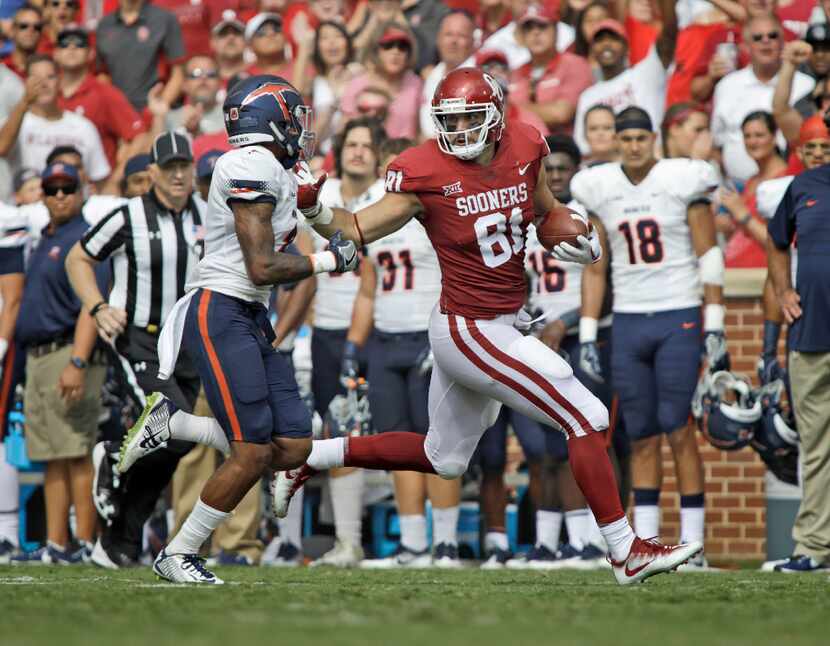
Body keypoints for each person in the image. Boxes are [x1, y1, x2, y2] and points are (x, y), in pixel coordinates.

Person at [274, 67, 703, 585]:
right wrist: (316, 209)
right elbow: (356, 227)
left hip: (496, 322)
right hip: (470, 328)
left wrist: (574, 236)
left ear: (497, 116)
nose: (460, 132)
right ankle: (624, 550)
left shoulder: (525, 145)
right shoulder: (424, 170)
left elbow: (543, 213)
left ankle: (304, 457)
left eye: (471, 117)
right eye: (449, 121)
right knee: (586, 414)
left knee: (444, 458)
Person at [120, 76, 359, 584]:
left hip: (249, 313)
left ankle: (175, 424)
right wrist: (326, 261)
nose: (300, 126)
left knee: (293, 446)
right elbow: (261, 267)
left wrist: (318, 233)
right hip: (224, 308)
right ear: (270, 119)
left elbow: (271, 260)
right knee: (251, 453)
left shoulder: (272, 167)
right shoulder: (248, 165)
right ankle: (178, 553)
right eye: (293, 115)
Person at [574, 106, 725, 570]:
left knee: (677, 426)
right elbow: (596, 267)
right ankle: (650, 543)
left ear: (654, 138)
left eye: (642, 137)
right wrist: (585, 330)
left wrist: (715, 323)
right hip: (629, 319)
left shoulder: (682, 179)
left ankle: (694, 545)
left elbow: (709, 254)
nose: (635, 145)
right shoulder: (599, 187)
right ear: (617, 141)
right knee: (639, 433)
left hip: (677, 312)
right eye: (627, 138)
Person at [65, 132, 212, 569]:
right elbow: (78, 258)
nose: (180, 176)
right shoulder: (127, 215)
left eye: (185, 166)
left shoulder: (208, 213)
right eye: (170, 168)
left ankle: (118, 543)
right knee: (174, 422)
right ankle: (113, 455)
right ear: (152, 173)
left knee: (176, 444)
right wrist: (97, 306)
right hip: (141, 337)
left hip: (189, 341)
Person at [343, 127, 464, 569]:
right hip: (386, 339)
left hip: (428, 336)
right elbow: (369, 289)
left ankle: (446, 544)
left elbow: (456, 274)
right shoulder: (369, 207)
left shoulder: (431, 203)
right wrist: (353, 346)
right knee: (399, 445)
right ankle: (414, 544)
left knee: (440, 442)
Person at [505, 134, 625, 570]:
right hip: (530, 337)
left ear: (576, 170)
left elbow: (601, 285)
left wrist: (566, 323)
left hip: (576, 338)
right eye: (547, 168)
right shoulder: (519, 216)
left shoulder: (585, 217)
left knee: (581, 437)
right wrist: (528, 319)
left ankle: (587, 541)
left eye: (562, 167)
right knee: (537, 450)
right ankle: (547, 542)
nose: (555, 174)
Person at [8, 162, 108, 565]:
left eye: (68, 187)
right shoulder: (45, 237)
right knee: (52, 453)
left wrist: (79, 361)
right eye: (52, 188)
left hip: (68, 351)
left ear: (82, 191)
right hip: (39, 357)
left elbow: (92, 305)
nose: (60, 195)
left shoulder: (84, 239)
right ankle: (56, 543)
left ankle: (83, 541)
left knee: (75, 451)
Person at [302, 118, 387, 569]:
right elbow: (303, 265)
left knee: (382, 431)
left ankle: (394, 538)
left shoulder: (387, 200)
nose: (358, 152)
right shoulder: (323, 195)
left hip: (381, 330)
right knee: (337, 430)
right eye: (350, 144)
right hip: (327, 331)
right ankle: (348, 540)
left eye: (366, 145)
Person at [766, 116, 830, 573]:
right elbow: (775, 242)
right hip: (811, 334)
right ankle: (814, 546)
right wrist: (784, 289)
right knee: (817, 445)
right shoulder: (802, 186)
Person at [755, 114, 830, 389]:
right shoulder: (790, 190)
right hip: (803, 305)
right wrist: (769, 345)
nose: (818, 154)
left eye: (825, 147)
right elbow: (775, 256)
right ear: (799, 151)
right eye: (811, 148)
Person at [711, 13, 814, 183]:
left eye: (773, 35)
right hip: (739, 188)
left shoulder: (806, 84)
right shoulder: (726, 86)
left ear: (783, 41)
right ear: (745, 45)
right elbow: (717, 144)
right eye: (758, 37)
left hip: (789, 184)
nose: (766, 41)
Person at [572, 0, 678, 154]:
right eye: (600, 40)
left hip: (650, 160)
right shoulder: (587, 97)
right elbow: (582, 146)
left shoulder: (646, 74)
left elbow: (669, 35)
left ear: (627, 48)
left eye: (613, 39)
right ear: (592, 50)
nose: (606, 44)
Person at [0, 55, 111, 190]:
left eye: (50, 77)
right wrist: (24, 102)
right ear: (25, 82)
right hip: (25, 208)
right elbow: (2, 148)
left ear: (60, 81)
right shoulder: (15, 123)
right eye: (36, 79)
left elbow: (99, 179)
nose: (43, 84)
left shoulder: (84, 127)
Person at [54, 25, 146, 176]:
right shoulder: (48, 94)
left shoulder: (104, 93)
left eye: (79, 44)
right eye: (64, 44)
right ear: (55, 53)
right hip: (54, 187)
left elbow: (139, 137)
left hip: (95, 189)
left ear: (91, 54)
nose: (71, 48)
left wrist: (115, 180)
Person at [508, 3, 593, 134]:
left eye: (542, 26)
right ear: (522, 36)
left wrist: (513, 110)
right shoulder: (514, 73)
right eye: (528, 28)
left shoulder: (575, 64)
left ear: (556, 30)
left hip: (561, 148)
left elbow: (560, 113)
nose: (535, 33)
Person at [720, 111, 788, 268]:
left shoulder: (785, 180)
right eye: (747, 136)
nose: (752, 141)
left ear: (774, 136)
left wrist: (743, 216)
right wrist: (728, 226)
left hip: (765, 272)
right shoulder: (752, 181)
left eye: (759, 135)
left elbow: (781, 241)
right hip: (739, 270)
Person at [96, 0, 186, 112]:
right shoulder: (104, 24)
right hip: (118, 114)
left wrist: (158, 107)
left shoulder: (165, 19)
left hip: (154, 110)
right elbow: (102, 75)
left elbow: (178, 74)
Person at [341, 23, 423, 140]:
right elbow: (345, 131)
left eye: (402, 46)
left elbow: (421, 132)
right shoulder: (357, 84)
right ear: (375, 50)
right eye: (388, 45)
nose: (396, 51)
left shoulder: (416, 83)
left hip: (405, 155)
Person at [293, 20, 362, 155]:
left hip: (354, 153)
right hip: (323, 156)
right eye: (324, 38)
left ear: (348, 43)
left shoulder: (360, 74)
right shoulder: (317, 81)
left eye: (338, 36)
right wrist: (304, 48)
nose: (332, 42)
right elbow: (295, 92)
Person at [419, 10, 476, 139]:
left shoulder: (479, 78)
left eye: (461, 35)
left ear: (472, 41)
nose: (454, 41)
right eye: (448, 34)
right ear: (438, 39)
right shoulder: (432, 75)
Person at [163, 55, 225, 137]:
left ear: (220, 82)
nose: (203, 78)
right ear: (184, 84)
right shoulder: (169, 118)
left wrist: (197, 133)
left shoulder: (230, 115)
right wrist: (158, 116)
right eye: (195, 74)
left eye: (210, 74)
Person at [245, 13, 293, 80]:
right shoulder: (245, 78)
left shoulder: (305, 67)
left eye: (276, 29)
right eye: (261, 32)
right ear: (250, 46)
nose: (271, 33)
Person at [1, 4, 43, 79]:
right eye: (23, 26)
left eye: (37, 27)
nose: (30, 30)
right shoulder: (2, 67)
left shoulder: (49, 70)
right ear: (12, 30)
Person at [210, 12, 247, 84]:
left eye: (237, 33)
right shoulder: (203, 81)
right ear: (213, 42)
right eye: (223, 34)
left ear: (246, 40)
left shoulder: (260, 76)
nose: (231, 38)